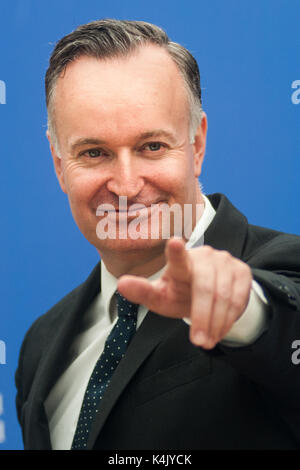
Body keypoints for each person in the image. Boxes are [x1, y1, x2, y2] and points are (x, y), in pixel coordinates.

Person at [15, 19, 300, 450]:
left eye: (152, 147)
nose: (127, 186)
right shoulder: (40, 343)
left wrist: (245, 313)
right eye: (94, 153)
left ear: (197, 144)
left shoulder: (282, 271)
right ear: (59, 165)